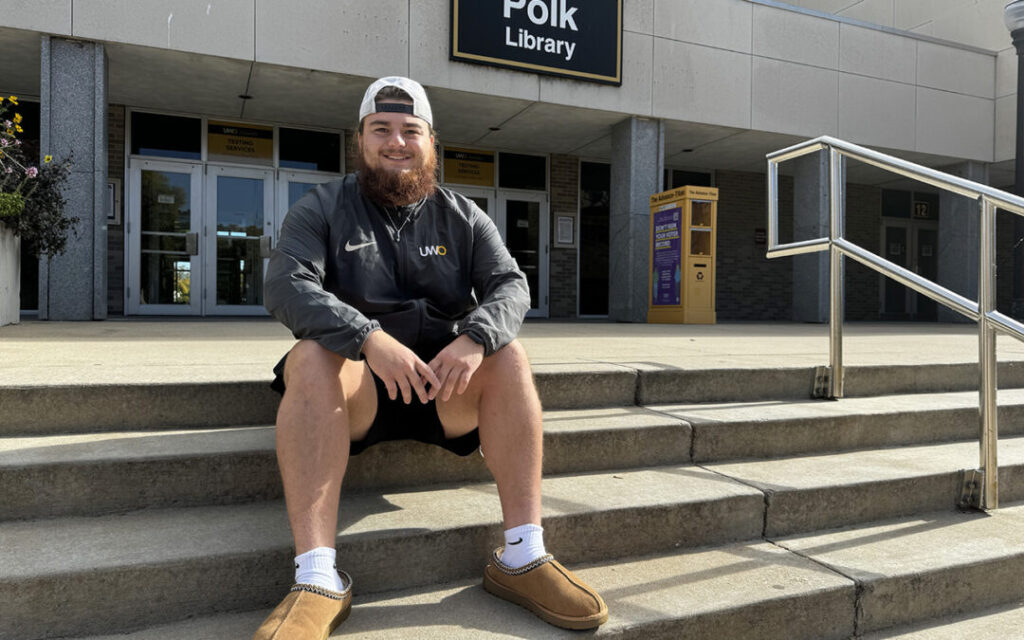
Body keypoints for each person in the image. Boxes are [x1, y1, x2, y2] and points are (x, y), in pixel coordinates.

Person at [253, 76, 607, 639]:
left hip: (443, 388)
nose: (396, 142)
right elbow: (285, 284)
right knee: (310, 357)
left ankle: (522, 556)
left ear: (431, 143)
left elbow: (511, 286)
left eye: (409, 131)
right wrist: (367, 336)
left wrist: (475, 337)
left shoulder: (464, 214)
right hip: (360, 389)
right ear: (361, 140)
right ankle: (317, 577)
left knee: (509, 355)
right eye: (381, 130)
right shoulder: (321, 206)